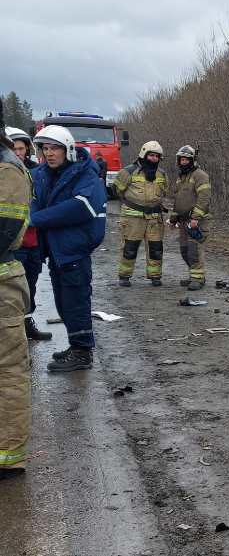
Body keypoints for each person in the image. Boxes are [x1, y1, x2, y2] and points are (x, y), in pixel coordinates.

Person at [29, 125, 107, 372]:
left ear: (68, 150)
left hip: (74, 249)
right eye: (45, 148)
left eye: (54, 149)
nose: (48, 153)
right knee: (63, 301)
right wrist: (33, 213)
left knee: (76, 300)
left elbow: (81, 206)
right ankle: (76, 344)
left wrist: (37, 219)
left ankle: (83, 352)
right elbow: (32, 200)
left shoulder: (86, 175)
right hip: (57, 250)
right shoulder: (43, 173)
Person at [0, 122, 33, 480]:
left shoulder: (6, 168)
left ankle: (7, 458)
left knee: (7, 371)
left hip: (2, 286)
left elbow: (4, 229)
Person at [5, 127, 51, 341]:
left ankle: (26, 323)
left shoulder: (36, 173)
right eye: (14, 148)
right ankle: (15, 333)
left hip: (33, 244)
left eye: (21, 148)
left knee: (29, 287)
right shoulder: (5, 172)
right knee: (11, 292)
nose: (18, 153)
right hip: (14, 246)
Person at [114, 141, 169, 287]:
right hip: (132, 217)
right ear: (144, 155)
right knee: (129, 247)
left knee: (156, 248)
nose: (154, 159)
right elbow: (118, 190)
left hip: (154, 219)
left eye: (157, 156)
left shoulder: (162, 174)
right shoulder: (129, 171)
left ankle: (155, 276)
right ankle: (124, 276)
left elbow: (165, 191)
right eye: (151, 155)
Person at [168, 145, 211, 291]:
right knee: (184, 251)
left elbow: (204, 198)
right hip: (184, 221)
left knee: (194, 250)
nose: (184, 162)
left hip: (196, 222)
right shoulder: (181, 178)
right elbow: (178, 200)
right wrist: (174, 218)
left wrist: (196, 217)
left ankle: (197, 279)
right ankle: (194, 276)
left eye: (187, 159)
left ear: (192, 160)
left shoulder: (200, 175)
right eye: (182, 159)